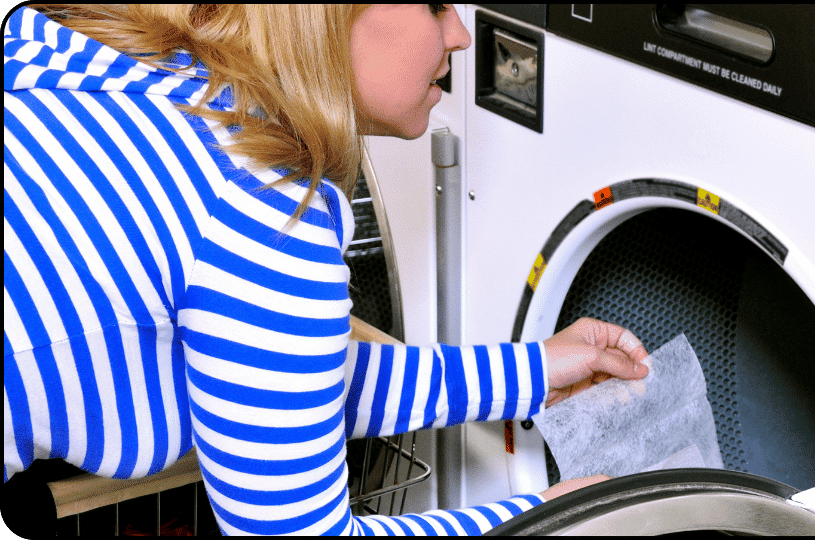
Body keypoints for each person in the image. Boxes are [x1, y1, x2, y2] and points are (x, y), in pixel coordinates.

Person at [4, 4, 649, 535]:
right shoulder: (261, 203)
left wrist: (529, 373)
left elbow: (285, 387)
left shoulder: (126, 73)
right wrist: (558, 519)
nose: (460, 34)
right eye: (435, 6)